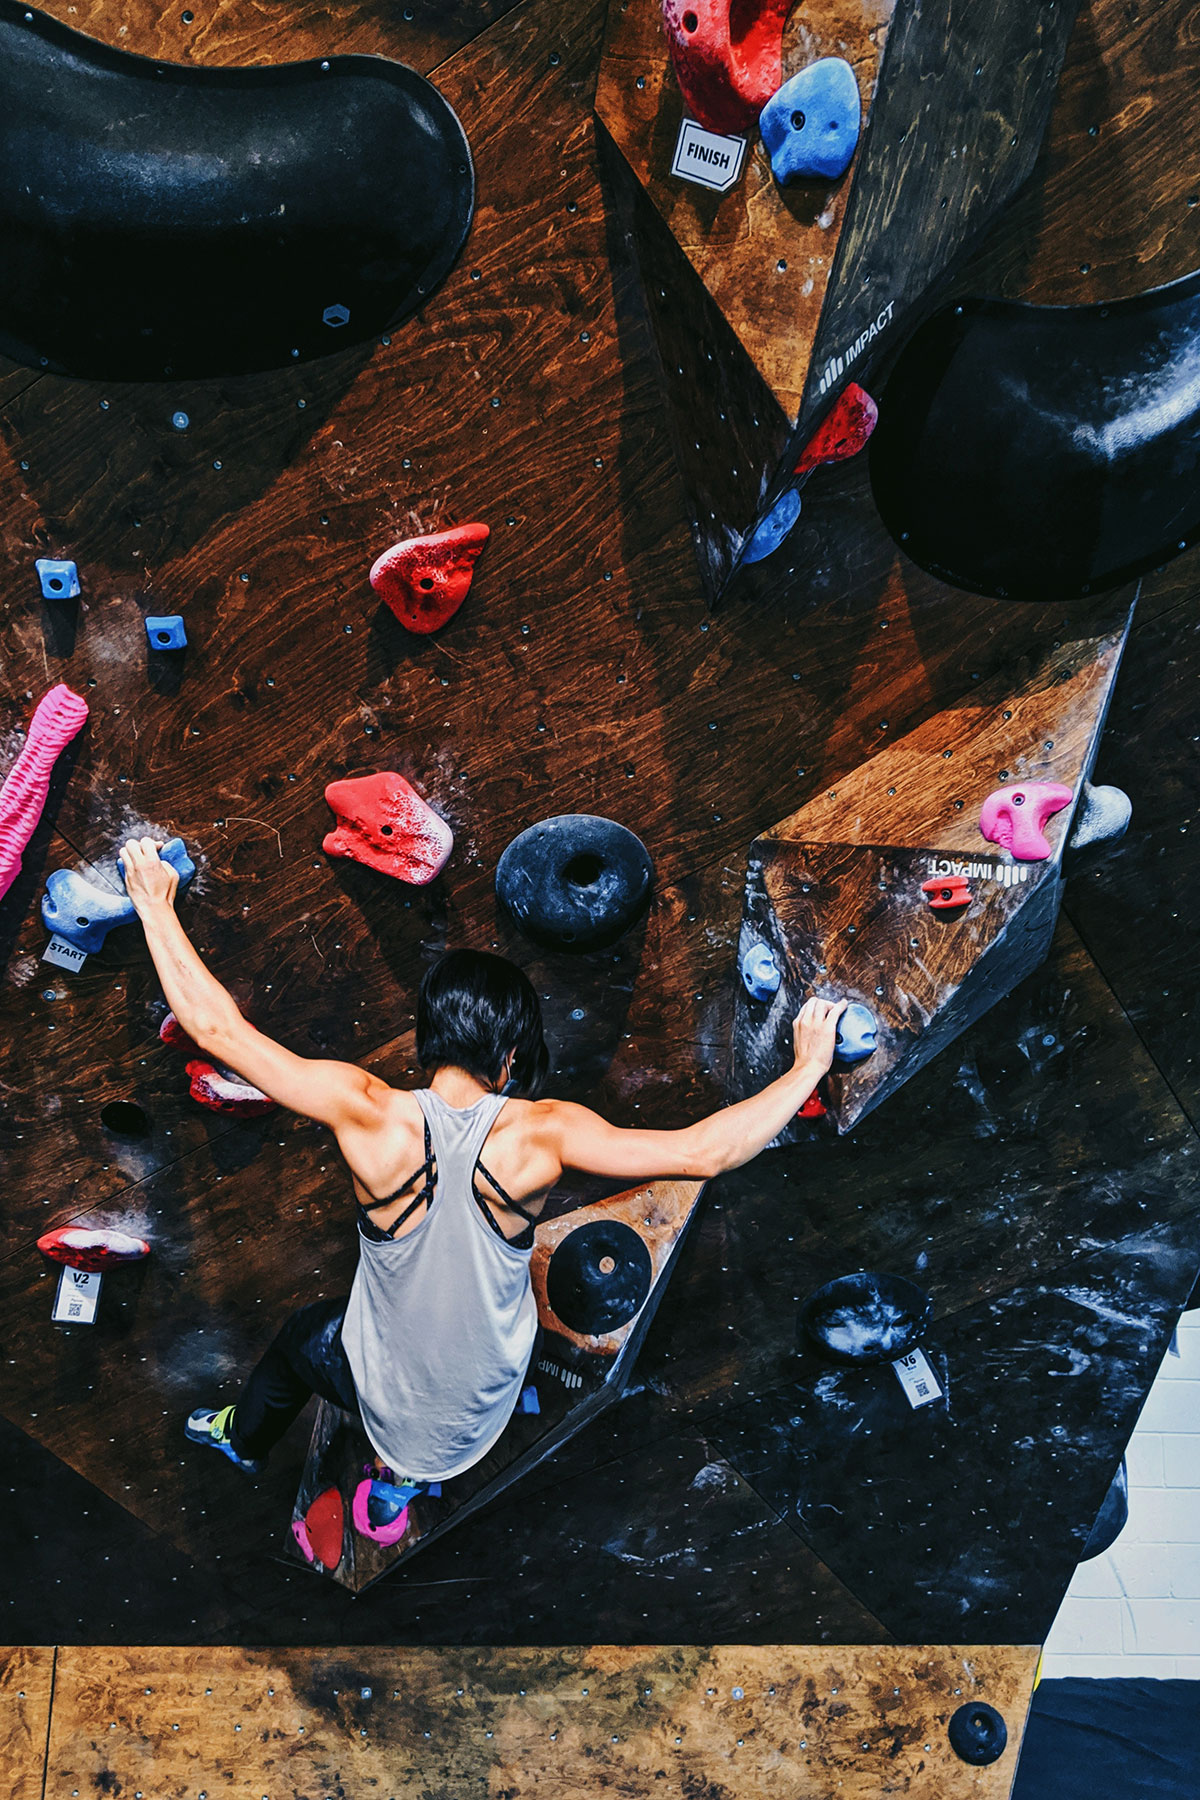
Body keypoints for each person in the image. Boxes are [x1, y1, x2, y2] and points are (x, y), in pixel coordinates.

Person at [121, 836, 846, 1485]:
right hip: (483, 1411)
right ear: (508, 1057)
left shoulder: (363, 1106)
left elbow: (214, 1026)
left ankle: (243, 1441)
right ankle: (412, 1467)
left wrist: (154, 904)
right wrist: (805, 1066)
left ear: (430, 1039)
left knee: (301, 1338)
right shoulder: (545, 1132)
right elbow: (706, 1152)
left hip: (386, 1411)